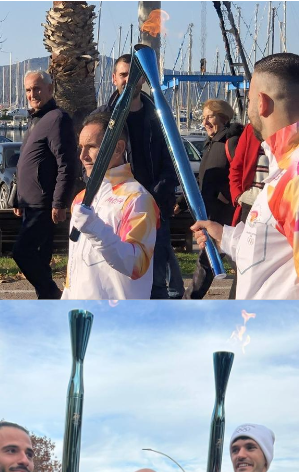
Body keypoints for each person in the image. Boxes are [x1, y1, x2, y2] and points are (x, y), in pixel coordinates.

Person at [192, 53, 299, 300]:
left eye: (248, 100)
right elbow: (270, 252)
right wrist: (224, 236)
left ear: (262, 102)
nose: (247, 110)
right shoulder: (288, 166)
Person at [102, 55, 182, 299]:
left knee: (156, 281)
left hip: (153, 210)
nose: (128, 80)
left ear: (142, 79)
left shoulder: (160, 118)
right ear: (114, 78)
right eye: (123, 75)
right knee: (116, 280)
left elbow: (173, 164)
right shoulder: (104, 119)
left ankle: (155, 330)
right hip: (116, 210)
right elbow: (92, 166)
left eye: (134, 75)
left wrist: (154, 197)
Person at [62, 111, 158, 299]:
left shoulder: (137, 199)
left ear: (118, 148)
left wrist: (95, 228)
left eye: (91, 147)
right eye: (80, 147)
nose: (82, 156)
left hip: (118, 318)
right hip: (82, 313)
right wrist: (66, 299)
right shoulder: (80, 199)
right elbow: (74, 265)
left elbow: (136, 264)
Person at [11, 70, 79, 299]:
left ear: (51, 89)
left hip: (44, 204)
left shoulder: (57, 118)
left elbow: (67, 163)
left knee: (21, 252)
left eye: (37, 88)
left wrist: (59, 202)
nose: (32, 94)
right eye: (28, 90)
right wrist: (15, 197)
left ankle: (52, 294)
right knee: (39, 258)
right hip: (28, 204)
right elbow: (23, 162)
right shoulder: (36, 119)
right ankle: (47, 299)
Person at [191, 99, 244, 299]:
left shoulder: (231, 142)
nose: (205, 122)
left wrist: (225, 198)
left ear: (223, 117)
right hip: (212, 214)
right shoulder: (211, 144)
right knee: (213, 264)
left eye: (209, 117)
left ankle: (189, 302)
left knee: (210, 264)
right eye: (203, 117)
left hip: (227, 217)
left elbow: (240, 177)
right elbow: (203, 180)